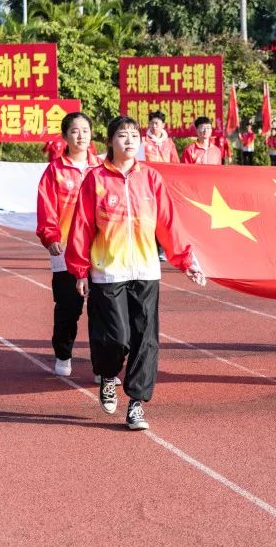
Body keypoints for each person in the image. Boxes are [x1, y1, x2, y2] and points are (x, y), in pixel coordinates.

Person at [65, 116, 207, 430]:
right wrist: (79, 270)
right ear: (110, 142)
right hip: (108, 271)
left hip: (145, 270)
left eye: (134, 135)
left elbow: (168, 223)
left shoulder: (152, 179)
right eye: (122, 135)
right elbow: (82, 226)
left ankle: (137, 403)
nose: (129, 141)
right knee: (115, 339)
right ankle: (107, 375)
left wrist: (186, 261)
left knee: (145, 340)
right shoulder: (96, 179)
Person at [36, 112, 103, 379]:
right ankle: (63, 354)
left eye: (85, 130)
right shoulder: (55, 170)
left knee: (103, 310)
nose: (81, 136)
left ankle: (103, 366)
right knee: (68, 308)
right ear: (65, 137)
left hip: (102, 250)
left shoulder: (102, 167)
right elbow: (46, 206)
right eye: (75, 131)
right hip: (66, 250)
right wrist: (50, 236)